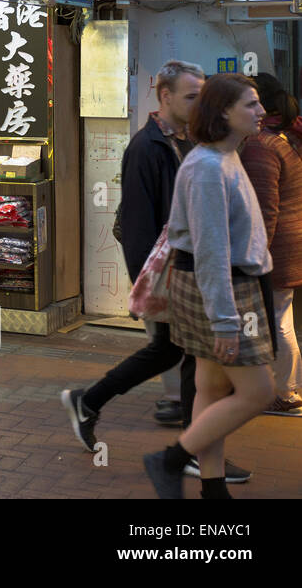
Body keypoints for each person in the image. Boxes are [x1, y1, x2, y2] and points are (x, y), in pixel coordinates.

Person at [62, 62, 216, 448]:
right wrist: (145, 284)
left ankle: (89, 400)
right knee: (188, 353)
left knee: (170, 351)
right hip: (169, 272)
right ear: (165, 96)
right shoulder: (147, 147)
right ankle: (192, 448)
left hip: (184, 268)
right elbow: (137, 224)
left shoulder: (188, 140)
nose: (198, 105)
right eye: (191, 97)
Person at [143, 73, 276, 499]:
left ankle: (212, 487)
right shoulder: (207, 167)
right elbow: (211, 251)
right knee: (258, 391)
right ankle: (171, 459)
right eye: (251, 104)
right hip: (221, 290)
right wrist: (223, 321)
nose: (261, 112)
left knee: (213, 387)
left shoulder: (222, 155)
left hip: (225, 285)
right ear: (223, 112)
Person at [239, 76, 302, 414]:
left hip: (277, 249)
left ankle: (286, 394)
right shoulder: (282, 139)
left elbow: (265, 211)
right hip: (288, 245)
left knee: (277, 319)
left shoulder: (261, 147)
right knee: (280, 317)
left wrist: (253, 256)